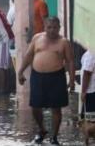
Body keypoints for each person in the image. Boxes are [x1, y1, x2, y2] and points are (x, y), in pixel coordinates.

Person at [18, 17, 75, 145]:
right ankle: (42, 130)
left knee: (56, 108)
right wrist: (20, 71)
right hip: (37, 76)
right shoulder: (37, 38)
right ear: (45, 27)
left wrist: (71, 81)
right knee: (35, 106)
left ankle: (54, 137)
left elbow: (70, 61)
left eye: (55, 27)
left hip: (56, 77)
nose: (52, 30)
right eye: (49, 27)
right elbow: (29, 55)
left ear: (59, 28)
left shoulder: (64, 42)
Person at [80, 50, 95, 119]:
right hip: (91, 90)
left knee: (90, 119)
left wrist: (83, 92)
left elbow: (87, 73)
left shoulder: (91, 53)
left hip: (90, 90)